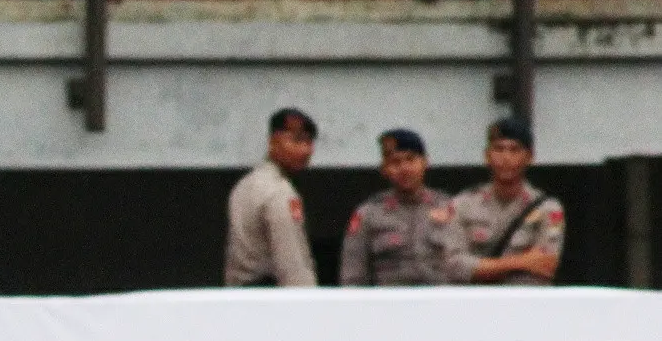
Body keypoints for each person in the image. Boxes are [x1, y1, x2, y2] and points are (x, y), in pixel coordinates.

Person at [339, 128, 473, 285]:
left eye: (411, 159)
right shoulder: (368, 215)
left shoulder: (452, 208)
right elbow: (353, 277)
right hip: (389, 305)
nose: (405, 169)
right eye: (395, 162)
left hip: (441, 304)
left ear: (425, 162)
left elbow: (469, 267)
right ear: (384, 169)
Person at [453, 115, 565, 282]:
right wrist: (522, 262)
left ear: (530, 157)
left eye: (515, 150)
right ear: (487, 155)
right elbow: (454, 266)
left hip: (525, 302)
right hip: (475, 304)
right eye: (499, 149)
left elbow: (545, 265)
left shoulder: (547, 209)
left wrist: (481, 267)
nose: (506, 158)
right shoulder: (462, 205)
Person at [224, 105, 318, 286]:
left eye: (309, 142)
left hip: (240, 298)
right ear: (273, 141)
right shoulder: (279, 190)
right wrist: (308, 303)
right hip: (271, 297)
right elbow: (291, 263)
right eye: (297, 140)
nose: (306, 150)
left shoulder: (243, 186)